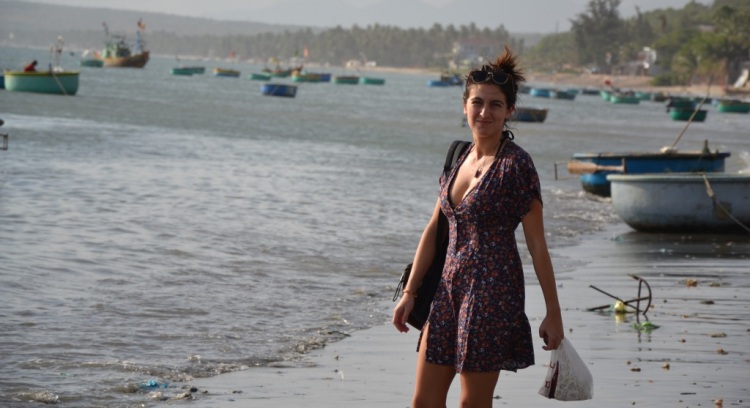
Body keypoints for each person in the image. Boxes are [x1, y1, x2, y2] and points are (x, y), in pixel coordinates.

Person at [392, 46, 564, 407]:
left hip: (492, 294)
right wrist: (410, 292)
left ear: (510, 111)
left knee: (472, 403)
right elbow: (434, 229)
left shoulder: (516, 166)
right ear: (464, 106)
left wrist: (553, 312)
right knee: (423, 401)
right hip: (446, 290)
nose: (485, 112)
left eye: (495, 105)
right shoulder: (458, 156)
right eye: (478, 103)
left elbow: (537, 245)